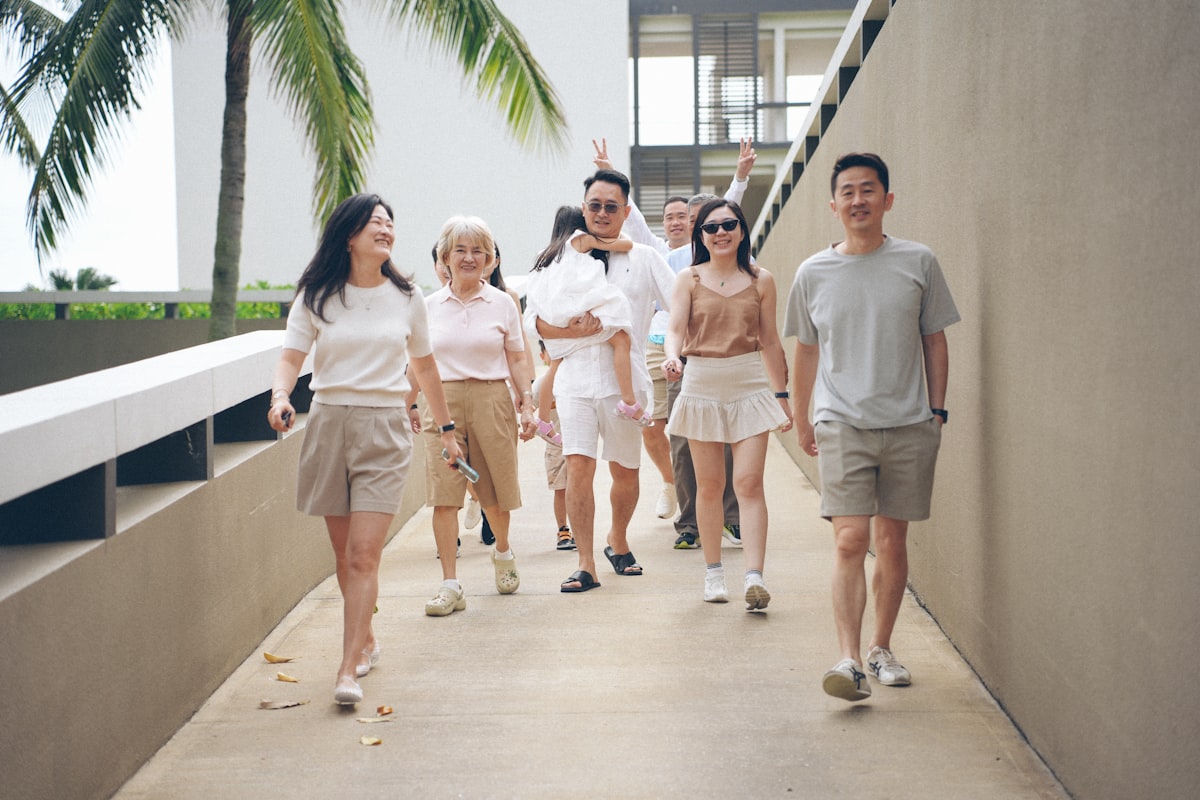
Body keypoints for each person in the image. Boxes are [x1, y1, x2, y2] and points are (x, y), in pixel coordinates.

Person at [267, 193, 460, 707]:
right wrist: (281, 397)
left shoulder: (408, 297)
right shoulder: (317, 296)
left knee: (363, 553)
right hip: (328, 423)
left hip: (384, 428)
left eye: (389, 222)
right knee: (343, 554)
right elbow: (291, 358)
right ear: (348, 235)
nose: (385, 228)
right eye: (374, 221)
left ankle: (347, 667)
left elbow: (425, 366)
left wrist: (447, 429)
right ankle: (366, 638)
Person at [783, 152, 960, 702]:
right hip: (842, 421)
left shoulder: (918, 261)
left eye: (868, 190)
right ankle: (849, 659)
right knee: (850, 539)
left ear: (887, 199)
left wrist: (936, 412)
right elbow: (806, 350)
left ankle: (881, 648)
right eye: (848, 192)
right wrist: (803, 416)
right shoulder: (813, 272)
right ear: (833, 205)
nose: (858, 200)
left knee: (891, 540)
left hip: (908, 422)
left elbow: (935, 338)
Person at [525, 168, 675, 592]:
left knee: (625, 470)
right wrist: (570, 331)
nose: (602, 213)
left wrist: (679, 349)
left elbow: (680, 305)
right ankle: (585, 563)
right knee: (578, 467)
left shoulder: (644, 258)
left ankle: (618, 540)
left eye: (611, 206)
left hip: (625, 383)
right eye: (595, 205)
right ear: (583, 207)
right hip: (574, 380)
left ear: (626, 211)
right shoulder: (559, 256)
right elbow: (531, 320)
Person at [592, 137, 758, 521]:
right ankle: (671, 484)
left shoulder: (711, 251)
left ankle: (706, 510)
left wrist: (740, 178)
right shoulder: (656, 251)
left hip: (694, 350)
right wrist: (608, 172)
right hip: (655, 346)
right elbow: (631, 216)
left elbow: (726, 213)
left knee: (690, 433)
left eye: (685, 216)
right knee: (654, 426)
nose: (679, 222)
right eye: (671, 216)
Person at [662, 199, 792, 608]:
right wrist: (672, 356)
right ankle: (714, 573)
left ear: (741, 230)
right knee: (710, 485)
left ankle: (754, 576)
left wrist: (782, 395)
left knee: (749, 483)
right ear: (700, 236)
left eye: (729, 224)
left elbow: (770, 340)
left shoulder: (761, 280)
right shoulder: (688, 278)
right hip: (701, 383)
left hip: (748, 383)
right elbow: (675, 328)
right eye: (711, 227)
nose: (720, 233)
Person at [421, 215, 536, 616]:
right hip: (442, 403)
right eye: (460, 250)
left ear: (489, 259)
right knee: (444, 496)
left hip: (491, 399)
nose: (469, 258)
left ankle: (502, 551)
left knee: (494, 494)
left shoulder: (503, 303)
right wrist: (408, 402)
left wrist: (527, 402)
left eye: (478, 251)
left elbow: (517, 357)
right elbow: (419, 363)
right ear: (445, 257)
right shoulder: (428, 307)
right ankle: (450, 585)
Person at [528, 204, 648, 437]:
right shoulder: (580, 239)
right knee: (621, 340)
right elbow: (626, 245)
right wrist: (612, 234)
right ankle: (628, 400)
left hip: (555, 314)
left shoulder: (546, 254)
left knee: (556, 361)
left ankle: (543, 419)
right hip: (576, 308)